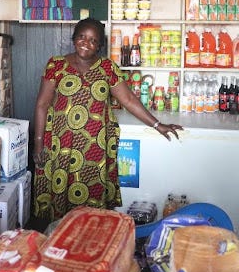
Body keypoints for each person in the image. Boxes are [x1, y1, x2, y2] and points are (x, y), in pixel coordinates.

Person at [32, 17, 183, 222]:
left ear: (100, 46)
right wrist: (38, 144)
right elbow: (42, 104)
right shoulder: (56, 65)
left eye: (93, 40)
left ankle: (90, 243)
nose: (86, 43)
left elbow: (128, 100)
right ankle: (62, 244)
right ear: (74, 38)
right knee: (61, 199)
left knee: (91, 200)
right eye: (82, 37)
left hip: (94, 149)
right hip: (62, 145)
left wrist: (157, 125)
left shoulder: (107, 68)